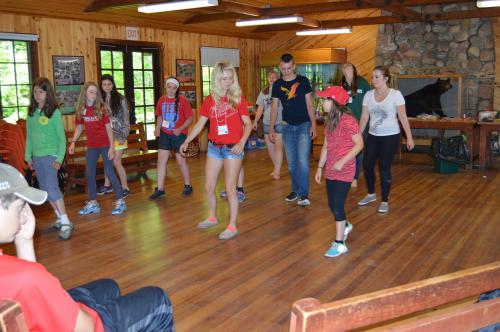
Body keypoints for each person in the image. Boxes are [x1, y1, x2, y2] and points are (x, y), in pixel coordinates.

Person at [0, 162, 174, 331]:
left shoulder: (17, 275)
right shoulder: (29, 278)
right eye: (20, 208)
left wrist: (24, 242)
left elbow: (28, 298)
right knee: (158, 299)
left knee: (109, 286)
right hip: (88, 326)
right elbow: (86, 327)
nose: (24, 218)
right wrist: (75, 310)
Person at [179, 60, 252, 240]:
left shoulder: (238, 99)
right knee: (209, 186)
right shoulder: (209, 100)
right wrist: (187, 140)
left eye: (230, 78)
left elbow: (248, 124)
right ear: (216, 80)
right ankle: (212, 216)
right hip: (214, 148)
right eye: (224, 79)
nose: (227, 82)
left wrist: (242, 142)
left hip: (233, 149)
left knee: (230, 189)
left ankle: (232, 226)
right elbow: (200, 124)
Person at [315, 86, 364, 258]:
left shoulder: (348, 121)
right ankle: (346, 225)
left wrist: (342, 161)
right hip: (331, 169)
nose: (322, 102)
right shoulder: (329, 121)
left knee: (337, 206)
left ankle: (340, 243)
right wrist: (320, 167)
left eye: (325, 99)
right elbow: (327, 146)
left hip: (345, 169)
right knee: (332, 205)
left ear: (334, 102)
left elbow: (359, 144)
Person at [358, 66, 414, 213]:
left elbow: (402, 117)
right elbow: (364, 117)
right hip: (373, 136)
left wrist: (409, 137)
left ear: (386, 79)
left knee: (384, 168)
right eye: (372, 77)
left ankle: (384, 200)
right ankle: (371, 194)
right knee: (367, 165)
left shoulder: (396, 95)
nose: (373, 79)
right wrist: (358, 136)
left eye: (377, 77)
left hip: (390, 136)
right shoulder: (368, 95)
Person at [25, 77, 73, 241]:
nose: (37, 95)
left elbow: (62, 139)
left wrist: (59, 158)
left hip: (51, 156)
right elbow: (30, 138)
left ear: (48, 93)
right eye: (35, 92)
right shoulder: (31, 113)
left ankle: (66, 222)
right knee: (45, 191)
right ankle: (59, 217)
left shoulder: (54, 112)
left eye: (41, 92)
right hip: (37, 157)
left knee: (52, 189)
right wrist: (27, 156)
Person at [68, 82, 127, 215]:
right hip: (92, 147)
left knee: (110, 172)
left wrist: (112, 147)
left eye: (95, 92)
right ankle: (93, 202)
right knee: (90, 174)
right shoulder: (81, 110)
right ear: (85, 93)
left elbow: (109, 129)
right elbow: (79, 127)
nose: (93, 94)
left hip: (105, 145)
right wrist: (73, 142)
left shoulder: (101, 108)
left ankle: (120, 201)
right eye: (91, 92)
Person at [270, 53, 316, 206]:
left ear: (294, 66)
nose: (286, 71)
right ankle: (295, 190)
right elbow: (275, 107)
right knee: (291, 164)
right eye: (283, 68)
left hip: (304, 125)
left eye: (289, 68)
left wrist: (314, 124)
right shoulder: (277, 85)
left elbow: (310, 104)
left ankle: (304, 194)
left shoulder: (303, 81)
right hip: (287, 127)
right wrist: (271, 129)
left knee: (302, 160)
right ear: (280, 67)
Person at [150, 76, 194, 200]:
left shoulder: (183, 100)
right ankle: (160, 189)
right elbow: (159, 116)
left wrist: (180, 129)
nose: (171, 90)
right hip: (165, 134)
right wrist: (157, 128)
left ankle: (188, 185)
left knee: (181, 161)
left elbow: (190, 118)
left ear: (177, 89)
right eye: (169, 87)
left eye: (174, 88)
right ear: (165, 86)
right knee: (161, 161)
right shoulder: (161, 100)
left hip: (179, 135)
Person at [98, 74, 131, 197]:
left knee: (117, 162)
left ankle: (125, 187)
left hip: (119, 135)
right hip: (105, 135)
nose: (107, 87)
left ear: (113, 85)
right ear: (101, 86)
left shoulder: (120, 99)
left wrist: (124, 135)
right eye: (104, 84)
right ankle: (107, 185)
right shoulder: (99, 100)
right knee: (108, 161)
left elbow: (126, 118)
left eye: (109, 84)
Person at [341, 63, 371, 188]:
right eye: (345, 68)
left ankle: (354, 177)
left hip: (361, 121)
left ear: (354, 70)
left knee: (357, 149)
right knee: (346, 149)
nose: (347, 69)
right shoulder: (342, 85)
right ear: (343, 71)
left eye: (349, 67)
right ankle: (346, 173)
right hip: (345, 123)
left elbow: (370, 99)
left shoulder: (362, 83)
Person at [253, 69, 283, 180]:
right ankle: (276, 168)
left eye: (274, 77)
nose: (271, 78)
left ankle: (277, 171)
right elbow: (260, 108)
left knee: (278, 147)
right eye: (269, 77)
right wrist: (255, 121)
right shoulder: (264, 92)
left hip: (279, 122)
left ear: (278, 78)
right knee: (270, 148)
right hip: (266, 122)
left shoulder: (282, 91)